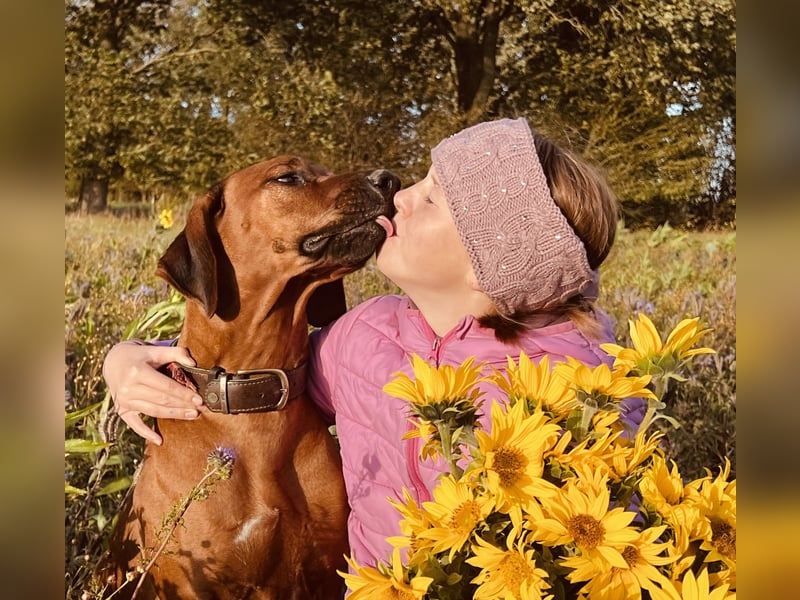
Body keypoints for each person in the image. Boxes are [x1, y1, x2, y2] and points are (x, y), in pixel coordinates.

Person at [102, 117, 643, 570]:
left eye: (432, 198)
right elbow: (253, 372)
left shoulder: (584, 385)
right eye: (292, 179)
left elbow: (609, 522)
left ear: (489, 267)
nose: (398, 190)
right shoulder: (362, 337)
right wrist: (124, 360)